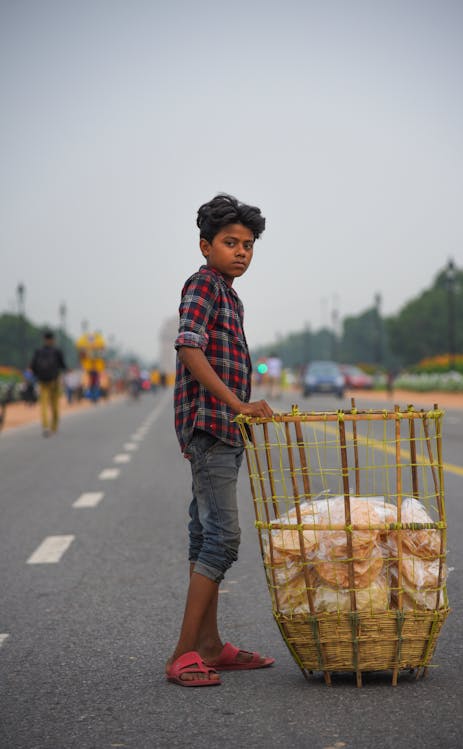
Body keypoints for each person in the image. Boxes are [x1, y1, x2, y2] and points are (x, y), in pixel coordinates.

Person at [166, 194, 275, 688]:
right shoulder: (203, 284)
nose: (241, 252)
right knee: (224, 537)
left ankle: (209, 645)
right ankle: (183, 653)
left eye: (248, 245)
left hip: (224, 428)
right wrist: (238, 404)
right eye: (231, 243)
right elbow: (189, 345)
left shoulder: (230, 295)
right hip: (211, 425)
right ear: (205, 245)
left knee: (203, 533)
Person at [30, 330, 67, 436]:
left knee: (44, 405)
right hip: (54, 381)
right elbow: (63, 366)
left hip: (42, 381)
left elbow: (32, 366)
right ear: (53, 340)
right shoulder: (57, 351)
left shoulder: (38, 351)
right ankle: (54, 427)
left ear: (44, 340)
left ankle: (45, 426)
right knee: (54, 405)